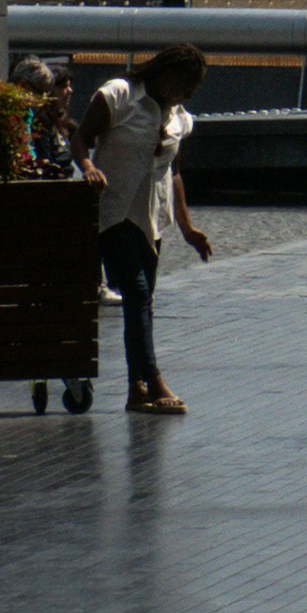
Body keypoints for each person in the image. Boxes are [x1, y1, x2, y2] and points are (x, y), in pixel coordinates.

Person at [78, 44, 214, 414]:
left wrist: (187, 227)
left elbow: (175, 172)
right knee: (136, 294)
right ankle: (152, 378)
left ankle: (135, 388)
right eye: (182, 85)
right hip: (113, 212)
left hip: (150, 217)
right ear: (163, 72)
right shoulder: (119, 96)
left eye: (190, 91)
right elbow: (81, 137)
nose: (183, 95)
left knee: (143, 303)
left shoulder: (178, 117)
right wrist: (89, 167)